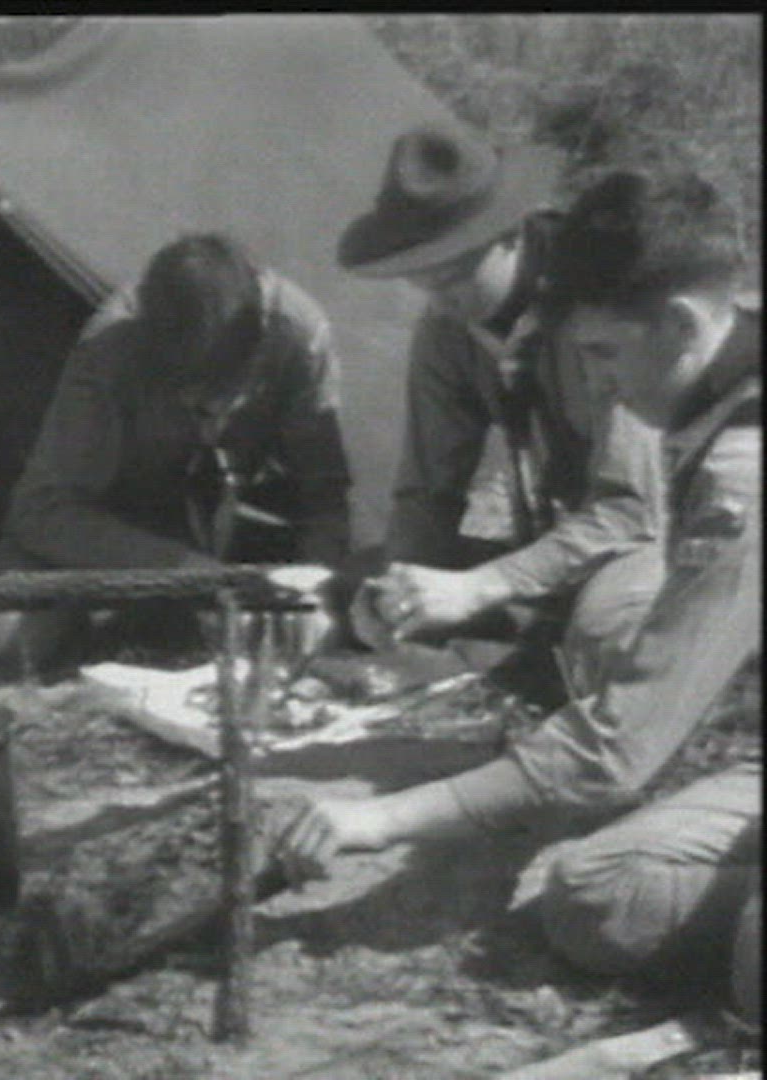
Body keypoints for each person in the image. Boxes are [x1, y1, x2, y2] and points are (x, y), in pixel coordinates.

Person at [279, 168, 760, 1025]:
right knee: (592, 895)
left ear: (684, 325)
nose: (599, 386)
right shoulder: (728, 356)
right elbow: (427, 494)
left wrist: (381, 821)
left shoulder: (744, 473)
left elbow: (617, 745)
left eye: (605, 355)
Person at [336, 126, 666, 684]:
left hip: (667, 534)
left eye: (453, 278)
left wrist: (480, 587)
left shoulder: (603, 303)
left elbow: (631, 512)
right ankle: (514, 653)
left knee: (604, 624)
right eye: (422, 284)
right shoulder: (446, 329)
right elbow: (428, 493)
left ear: (511, 234)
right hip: (561, 543)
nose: (440, 303)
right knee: (348, 583)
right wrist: (398, 591)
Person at [0, 232, 351, 666]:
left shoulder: (298, 334)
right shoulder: (109, 347)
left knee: (341, 628)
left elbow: (325, 494)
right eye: (190, 399)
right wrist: (175, 567)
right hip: (118, 528)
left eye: (220, 395)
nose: (208, 413)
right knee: (4, 645)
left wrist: (314, 587)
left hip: (229, 535)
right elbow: (41, 511)